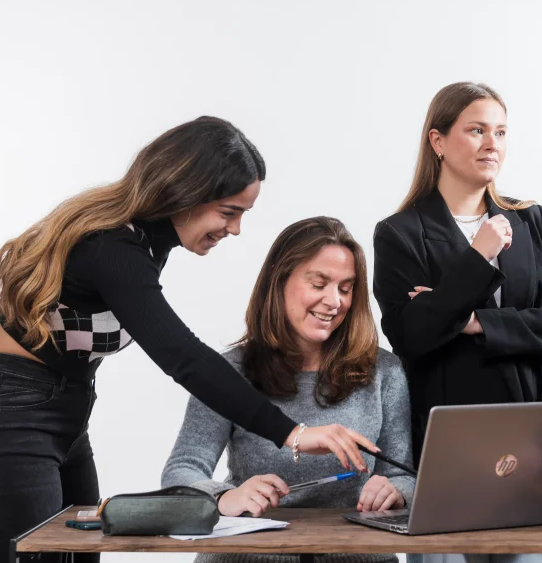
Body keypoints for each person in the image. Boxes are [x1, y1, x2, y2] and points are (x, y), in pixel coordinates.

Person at [0, 117, 378, 563]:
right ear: (186, 193)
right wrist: (292, 432)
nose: (234, 229)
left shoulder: (149, 243)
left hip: (65, 419)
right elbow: (183, 356)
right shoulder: (112, 246)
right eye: (229, 212)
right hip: (11, 418)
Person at [372, 82, 542, 563]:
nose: (493, 144)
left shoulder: (531, 219)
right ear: (438, 141)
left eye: (501, 132)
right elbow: (412, 335)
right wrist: (478, 256)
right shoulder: (399, 234)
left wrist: (474, 323)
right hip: (454, 447)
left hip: (538, 438)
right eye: (477, 130)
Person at [162, 217, 415, 563]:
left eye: (345, 289)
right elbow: (180, 472)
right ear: (279, 280)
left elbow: (404, 475)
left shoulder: (384, 371)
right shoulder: (229, 371)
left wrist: (394, 491)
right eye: (319, 283)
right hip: (247, 557)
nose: (334, 301)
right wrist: (224, 497)